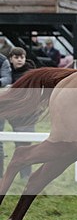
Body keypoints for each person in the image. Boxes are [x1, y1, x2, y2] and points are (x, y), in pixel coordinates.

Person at [1, 48, 36, 179]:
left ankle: (25, 175)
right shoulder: (8, 73)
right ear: (11, 59)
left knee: (24, 146)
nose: (19, 59)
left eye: (21, 57)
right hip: (12, 113)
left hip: (27, 114)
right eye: (16, 57)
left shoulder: (30, 73)